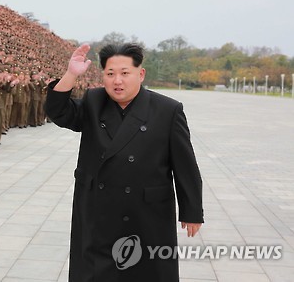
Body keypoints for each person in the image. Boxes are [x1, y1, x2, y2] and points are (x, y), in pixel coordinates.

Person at [45, 43, 204, 282]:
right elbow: (57, 112)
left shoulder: (167, 110)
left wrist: (191, 211)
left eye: (124, 73)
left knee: (146, 272)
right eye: (110, 74)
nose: (117, 81)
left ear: (141, 74)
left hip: (146, 213)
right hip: (98, 211)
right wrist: (71, 74)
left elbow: (185, 164)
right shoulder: (93, 101)